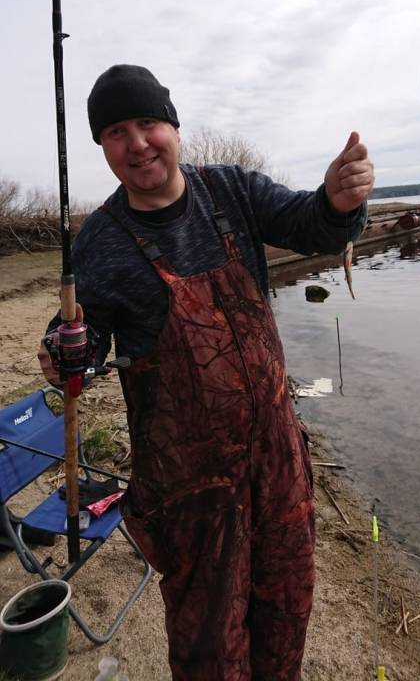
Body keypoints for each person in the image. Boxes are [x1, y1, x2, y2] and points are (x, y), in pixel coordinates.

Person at [38, 64, 374, 680]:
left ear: (173, 126)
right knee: (209, 652)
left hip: (279, 467)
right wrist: (68, 353)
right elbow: (84, 352)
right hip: (189, 497)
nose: (137, 143)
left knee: (285, 618)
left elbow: (310, 223)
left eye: (147, 123)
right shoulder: (99, 245)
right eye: (116, 131)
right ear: (102, 148)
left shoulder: (232, 191)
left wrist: (338, 201)